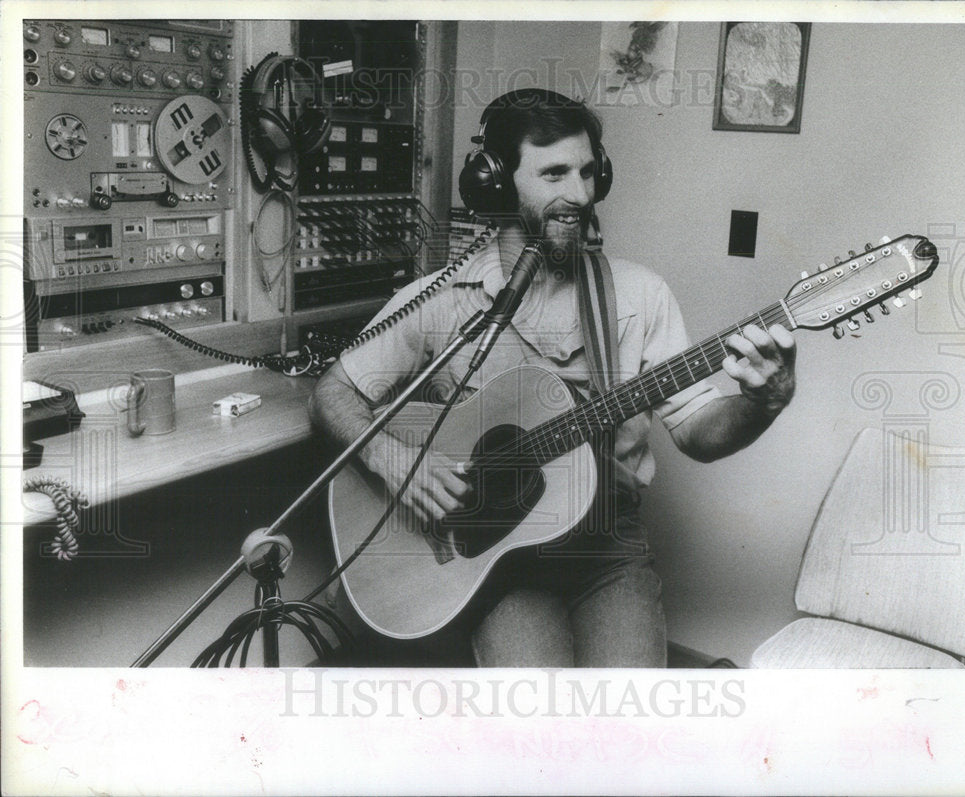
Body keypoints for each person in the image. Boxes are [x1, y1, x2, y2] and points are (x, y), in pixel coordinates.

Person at [309, 89, 796, 667]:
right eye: (555, 173)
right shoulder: (441, 301)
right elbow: (331, 395)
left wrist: (764, 403)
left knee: (629, 721)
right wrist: (391, 458)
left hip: (608, 547)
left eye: (589, 172)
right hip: (503, 558)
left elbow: (698, 433)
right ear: (495, 182)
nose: (580, 195)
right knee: (535, 717)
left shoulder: (639, 296)